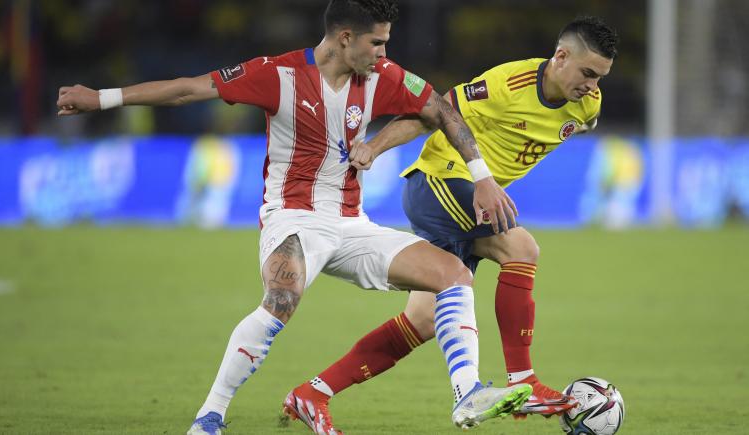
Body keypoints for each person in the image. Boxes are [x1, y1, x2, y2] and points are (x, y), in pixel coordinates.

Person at [56, 1, 532, 434]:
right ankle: (209, 417)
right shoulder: (276, 74)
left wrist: (481, 176)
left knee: (452, 274)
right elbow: (187, 90)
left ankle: (467, 394)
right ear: (345, 37)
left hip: (350, 222)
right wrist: (102, 98)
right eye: (377, 42)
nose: (384, 52)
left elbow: (440, 111)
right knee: (281, 299)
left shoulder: (382, 77)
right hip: (292, 217)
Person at [289, 15, 618, 427]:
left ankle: (312, 393)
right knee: (521, 247)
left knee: (423, 320)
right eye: (587, 73)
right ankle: (525, 380)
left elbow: (580, 123)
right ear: (561, 56)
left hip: (467, 205)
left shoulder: (588, 105)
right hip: (439, 182)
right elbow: (432, 112)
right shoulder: (506, 84)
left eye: (600, 77)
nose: (592, 85)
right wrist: (375, 146)